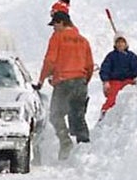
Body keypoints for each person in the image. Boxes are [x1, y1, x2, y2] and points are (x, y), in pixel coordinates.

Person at [34, 11, 94, 160]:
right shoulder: (83, 40)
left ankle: (65, 141)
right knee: (78, 115)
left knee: (55, 114)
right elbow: (90, 65)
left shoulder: (57, 37)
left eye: (54, 25)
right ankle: (84, 148)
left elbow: (50, 61)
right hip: (80, 82)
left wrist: (41, 80)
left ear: (61, 23)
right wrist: (84, 80)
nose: (53, 28)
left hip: (63, 82)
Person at [98, 35, 137, 116]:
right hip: (114, 81)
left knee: (129, 95)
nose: (120, 44)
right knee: (113, 96)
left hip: (128, 81)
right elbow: (105, 69)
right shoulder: (111, 56)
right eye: (118, 42)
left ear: (126, 44)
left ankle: (129, 114)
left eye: (122, 42)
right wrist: (105, 80)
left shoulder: (131, 56)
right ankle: (105, 112)